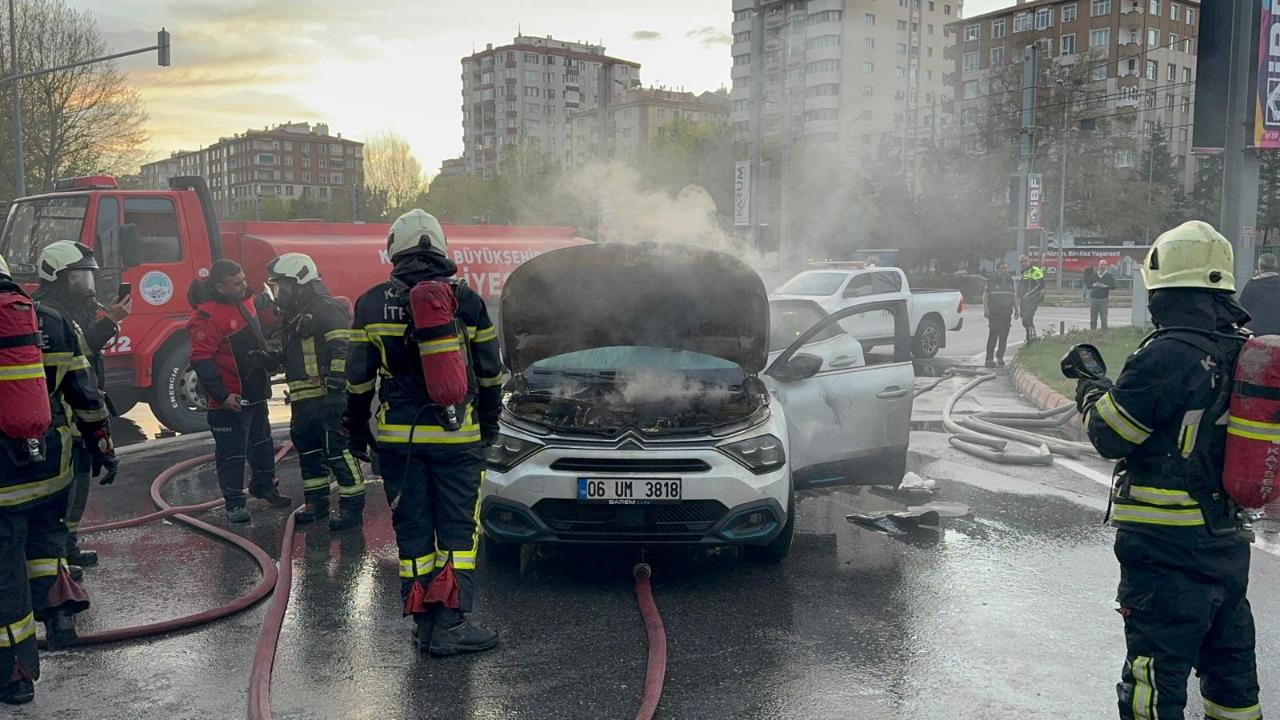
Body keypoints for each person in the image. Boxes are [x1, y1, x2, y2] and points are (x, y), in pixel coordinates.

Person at [1075, 221, 1261, 720]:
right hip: (1226, 541)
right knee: (1231, 672)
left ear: (1162, 287)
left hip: (1165, 549)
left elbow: (1111, 434)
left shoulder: (1167, 353)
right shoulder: (1242, 348)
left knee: (1154, 676)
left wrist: (1091, 387)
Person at [344, 209, 505, 656]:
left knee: (413, 532)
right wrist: (488, 423)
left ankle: (424, 623)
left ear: (394, 248)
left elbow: (357, 382)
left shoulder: (370, 304)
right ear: (440, 245)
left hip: (401, 442)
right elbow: (490, 373)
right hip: (458, 439)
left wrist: (355, 433)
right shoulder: (467, 302)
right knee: (457, 530)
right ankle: (451, 624)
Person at [0, 254, 116, 705]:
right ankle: (61, 619)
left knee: (5, 577)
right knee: (47, 549)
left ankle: (14, 676)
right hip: (51, 465)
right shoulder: (50, 318)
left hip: (3, 479)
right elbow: (86, 392)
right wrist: (103, 446)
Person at [32, 241, 131, 570]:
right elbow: (80, 350)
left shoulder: (71, 309)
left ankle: (69, 546)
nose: (87, 286)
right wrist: (111, 322)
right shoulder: (48, 314)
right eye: (78, 278)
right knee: (66, 489)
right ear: (55, 276)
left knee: (80, 486)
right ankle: (57, 557)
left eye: (89, 277)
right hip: (64, 417)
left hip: (81, 416)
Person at [265, 253, 365, 530]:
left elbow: (342, 352)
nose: (279, 293)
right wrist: (270, 360)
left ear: (300, 282)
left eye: (282, 286)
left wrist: (335, 393)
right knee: (308, 454)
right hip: (302, 402)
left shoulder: (326, 310)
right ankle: (316, 504)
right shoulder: (294, 316)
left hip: (325, 398)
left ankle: (352, 509)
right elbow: (297, 356)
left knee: (337, 453)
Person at [187, 258, 290, 524]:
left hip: (255, 392)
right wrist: (221, 396)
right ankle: (234, 503)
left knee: (262, 445)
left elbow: (259, 301)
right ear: (220, 287)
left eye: (243, 280)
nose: (244, 286)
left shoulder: (246, 300)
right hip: (230, 398)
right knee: (232, 453)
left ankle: (265, 486)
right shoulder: (207, 317)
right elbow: (201, 360)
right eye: (236, 283)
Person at [1237, 252, 1280, 336]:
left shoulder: (1253, 284)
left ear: (1260, 267)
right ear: (1275, 267)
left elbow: (1242, 308)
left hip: (1257, 332)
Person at [983, 261, 1016, 368]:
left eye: (1006, 268)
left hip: (1007, 313)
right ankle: (989, 359)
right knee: (993, 334)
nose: (1006, 270)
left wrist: (1016, 308)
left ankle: (1000, 357)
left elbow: (1013, 295)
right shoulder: (992, 280)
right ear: (998, 270)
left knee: (1004, 335)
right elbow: (985, 295)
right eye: (1003, 268)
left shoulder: (1010, 280)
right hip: (994, 312)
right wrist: (986, 309)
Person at [1017, 255, 1046, 343]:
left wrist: (1028, 294)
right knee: (1024, 319)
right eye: (1021, 262)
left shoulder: (1034, 270)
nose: (1023, 263)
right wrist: (1019, 296)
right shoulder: (1024, 272)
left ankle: (1032, 339)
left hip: (1033, 299)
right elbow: (1022, 286)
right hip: (1024, 300)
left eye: (1025, 261)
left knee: (1027, 318)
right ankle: (1031, 337)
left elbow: (1040, 285)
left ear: (1029, 261)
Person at [1084, 259, 1117, 331]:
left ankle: (1104, 334)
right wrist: (1094, 285)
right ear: (1098, 265)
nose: (1102, 266)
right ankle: (1093, 333)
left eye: (1104, 264)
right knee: (1093, 319)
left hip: (1103, 299)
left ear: (1106, 266)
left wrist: (1104, 286)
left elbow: (1113, 286)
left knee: (1104, 319)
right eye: (1101, 264)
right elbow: (1088, 285)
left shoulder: (1109, 276)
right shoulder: (1094, 275)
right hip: (1094, 299)